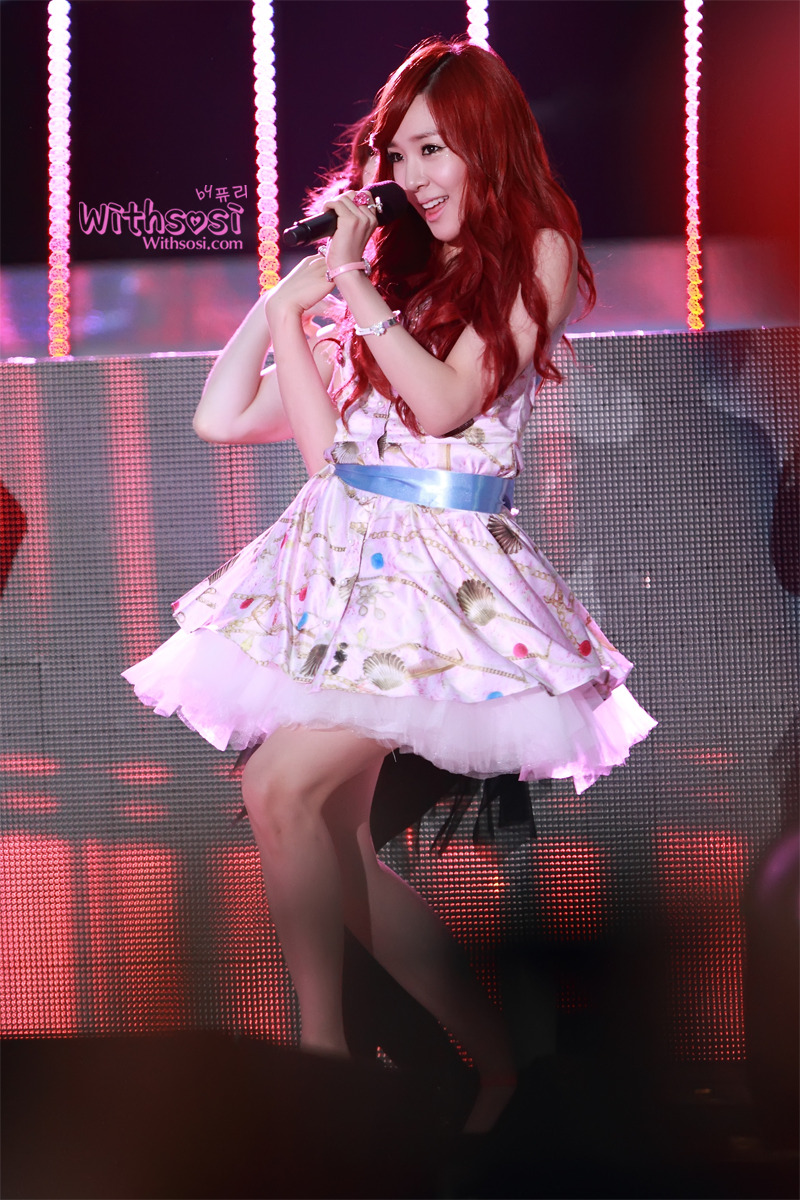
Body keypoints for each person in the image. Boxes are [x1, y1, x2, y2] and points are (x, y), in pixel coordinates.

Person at [124, 37, 656, 1133]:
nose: (413, 175)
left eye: (432, 149)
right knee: (329, 838)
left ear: (485, 145)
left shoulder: (539, 249)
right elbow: (233, 421)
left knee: (280, 793)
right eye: (396, 153)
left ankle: (319, 1069)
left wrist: (356, 288)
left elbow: (449, 404)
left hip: (437, 586)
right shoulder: (391, 285)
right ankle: (496, 1071)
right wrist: (288, 303)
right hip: (341, 574)